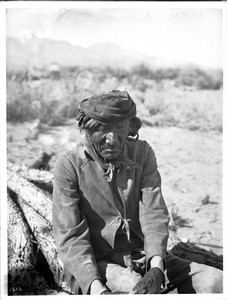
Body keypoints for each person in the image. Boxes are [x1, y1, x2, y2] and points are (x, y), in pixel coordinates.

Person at [53, 90, 223, 294]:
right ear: (86, 131)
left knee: (215, 281)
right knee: (133, 289)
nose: (113, 139)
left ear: (129, 126)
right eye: (102, 129)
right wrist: (97, 288)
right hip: (99, 265)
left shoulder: (142, 153)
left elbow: (154, 211)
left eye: (119, 127)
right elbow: (71, 236)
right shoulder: (69, 165)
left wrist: (157, 268)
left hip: (143, 255)